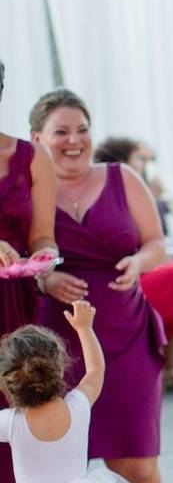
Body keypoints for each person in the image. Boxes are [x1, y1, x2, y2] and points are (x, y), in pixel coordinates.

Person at [30, 90, 167, 483]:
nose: (75, 140)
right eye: (62, 132)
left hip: (126, 336)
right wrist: (46, 277)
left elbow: (156, 244)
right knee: (58, 460)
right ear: (38, 139)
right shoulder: (28, 188)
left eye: (83, 129)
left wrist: (139, 262)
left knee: (136, 462)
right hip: (57, 341)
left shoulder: (123, 178)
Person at [93, 137, 173, 391]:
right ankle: (171, 365)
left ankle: (171, 365)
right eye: (140, 158)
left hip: (140, 267)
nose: (145, 165)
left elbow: (155, 240)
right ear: (121, 160)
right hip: (124, 274)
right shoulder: (114, 189)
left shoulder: (143, 188)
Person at [0, 58, 59, 480]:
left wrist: (43, 256)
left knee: (18, 417)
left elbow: (42, 235)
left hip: (13, 308)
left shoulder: (32, 157)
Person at [0, 300, 120, 482]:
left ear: (9, 383)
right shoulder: (78, 406)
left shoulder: (10, 422)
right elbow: (96, 370)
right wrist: (84, 328)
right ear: (60, 369)